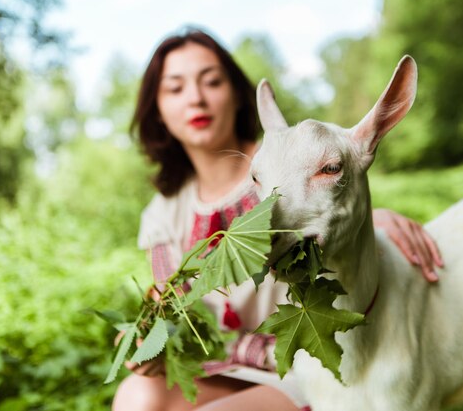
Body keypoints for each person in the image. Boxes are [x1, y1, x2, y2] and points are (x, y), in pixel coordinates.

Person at [112, 27, 443, 411]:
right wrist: (150, 337)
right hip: (224, 367)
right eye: (175, 88)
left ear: (237, 93)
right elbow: (171, 302)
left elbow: (338, 201)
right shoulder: (163, 213)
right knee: (135, 398)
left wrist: (374, 219)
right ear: (157, 107)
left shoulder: (287, 159)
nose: (196, 98)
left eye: (212, 81)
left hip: (307, 365)